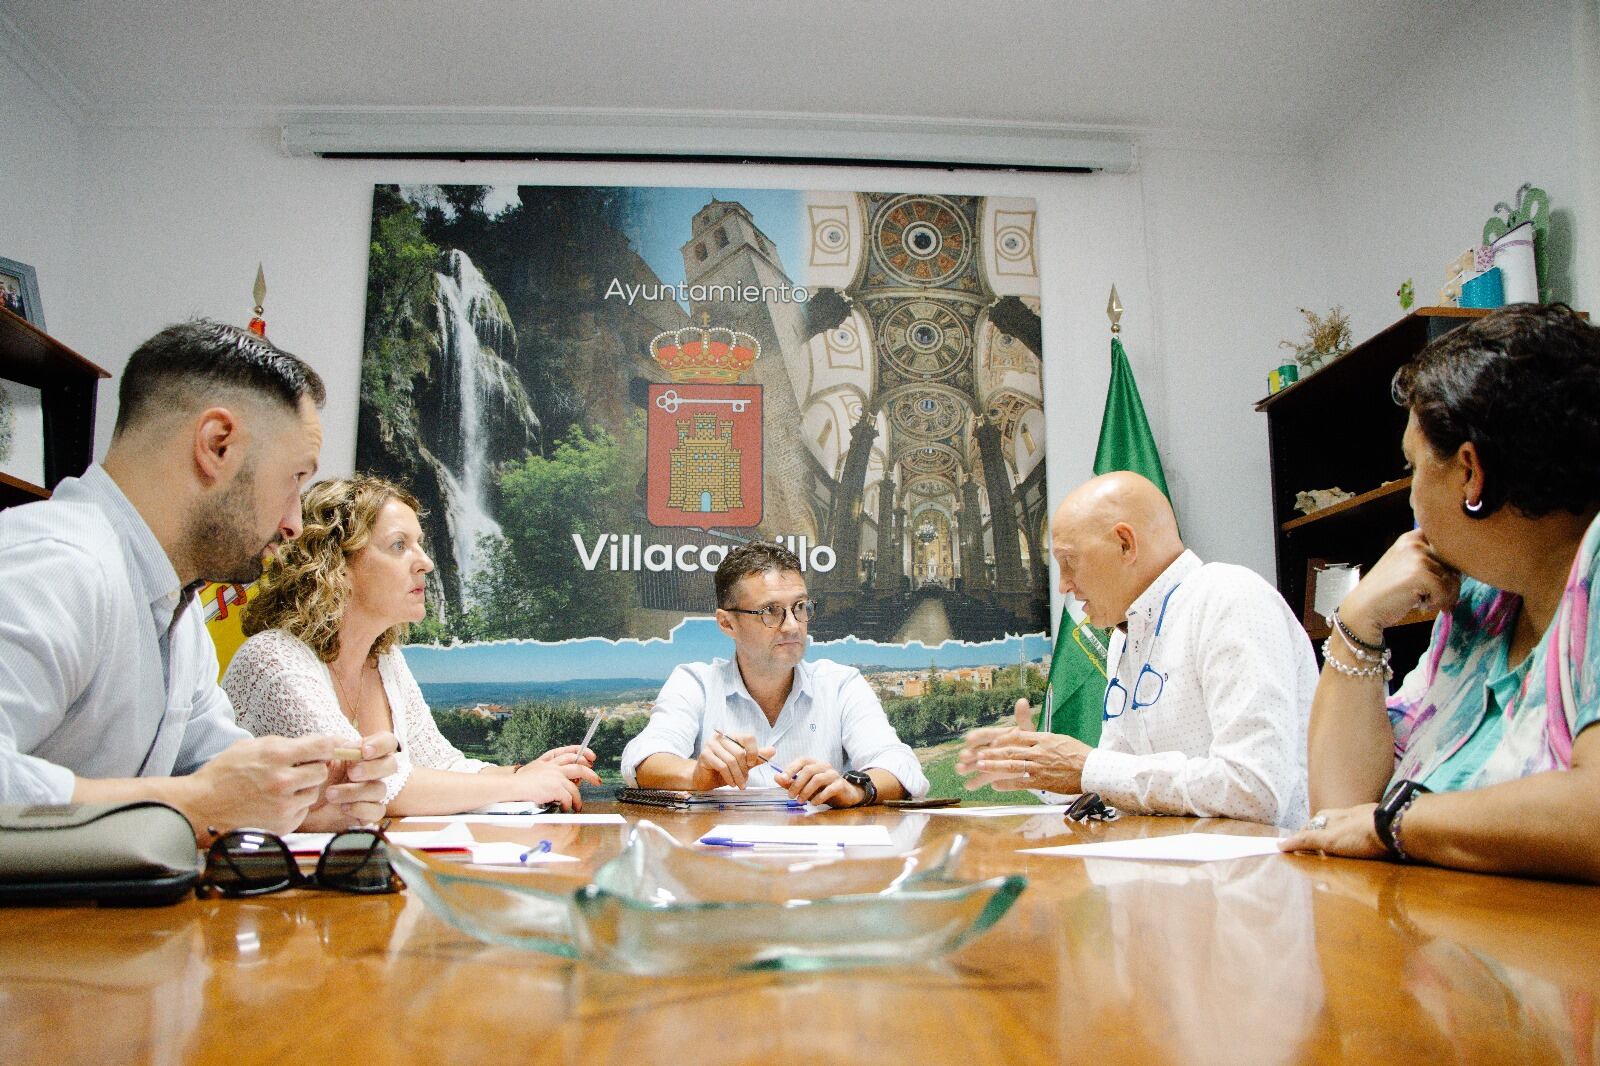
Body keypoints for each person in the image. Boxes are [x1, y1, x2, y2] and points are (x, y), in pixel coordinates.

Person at [0, 319, 398, 836]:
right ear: (217, 444)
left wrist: (306, 800)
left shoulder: (176, 610)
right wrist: (196, 803)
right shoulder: (58, 564)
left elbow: (206, 770)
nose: (295, 524)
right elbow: (198, 796)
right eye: (295, 478)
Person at [1283, 304, 1600, 881]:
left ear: (1469, 472)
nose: (1410, 497)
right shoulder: (1482, 600)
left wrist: (1395, 823)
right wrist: (1356, 622)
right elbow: (1336, 810)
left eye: (1412, 468)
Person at [956, 471, 1317, 827]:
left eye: (1069, 561)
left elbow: (1254, 790)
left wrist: (1089, 768)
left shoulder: (1230, 598)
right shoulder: (1124, 636)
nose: (1064, 585)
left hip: (1255, 877)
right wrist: (1037, 767)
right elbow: (1121, 782)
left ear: (1125, 543)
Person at [224, 475, 600, 814]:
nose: (425, 563)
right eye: (399, 545)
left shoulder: (383, 660)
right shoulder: (274, 661)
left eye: (419, 545)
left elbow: (440, 765)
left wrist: (524, 771)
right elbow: (371, 787)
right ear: (334, 565)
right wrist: (516, 785)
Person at [621, 542, 928, 807]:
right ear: (727, 623)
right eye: (771, 611)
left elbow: (901, 766)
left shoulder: (840, 684)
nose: (793, 625)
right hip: (721, 863)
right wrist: (697, 776)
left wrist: (854, 789)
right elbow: (643, 760)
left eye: (799, 607)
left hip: (815, 863)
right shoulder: (696, 682)